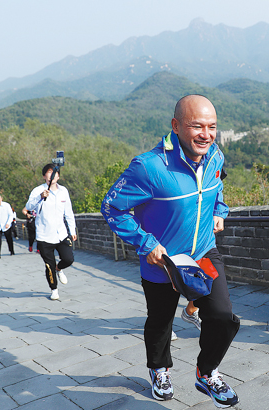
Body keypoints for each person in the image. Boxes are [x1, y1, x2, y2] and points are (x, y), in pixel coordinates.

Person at [101, 95, 240, 407]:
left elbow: (216, 187)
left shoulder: (214, 155)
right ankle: (158, 369)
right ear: (176, 126)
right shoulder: (148, 167)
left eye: (212, 127)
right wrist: (146, 243)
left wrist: (220, 210)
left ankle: (206, 373)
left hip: (203, 253)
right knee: (161, 321)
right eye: (197, 126)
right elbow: (111, 208)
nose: (206, 134)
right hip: (162, 263)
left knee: (223, 317)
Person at [25, 164, 77, 301]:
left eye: (54, 172)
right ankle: (54, 289)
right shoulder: (38, 191)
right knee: (49, 265)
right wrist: (40, 197)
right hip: (44, 235)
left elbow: (69, 212)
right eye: (48, 173)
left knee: (68, 259)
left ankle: (59, 268)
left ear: (58, 176)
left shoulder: (63, 191)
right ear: (44, 176)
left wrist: (72, 230)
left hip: (61, 233)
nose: (51, 175)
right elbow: (28, 207)